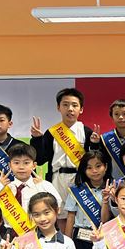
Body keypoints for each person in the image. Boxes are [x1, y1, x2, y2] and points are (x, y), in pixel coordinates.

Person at [30, 88, 103, 228]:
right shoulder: (52, 133)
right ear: (58, 107)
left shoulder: (87, 132)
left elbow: (95, 159)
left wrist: (95, 144)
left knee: (81, 215)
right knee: (59, 215)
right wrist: (37, 139)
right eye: (65, 104)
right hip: (57, 179)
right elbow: (40, 159)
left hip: (79, 178)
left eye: (74, 105)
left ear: (81, 109)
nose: (70, 109)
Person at [0, 143, 62, 233]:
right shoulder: (4, 188)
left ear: (34, 165)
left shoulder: (44, 185)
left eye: (26, 163)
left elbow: (57, 206)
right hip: (11, 233)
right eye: (16, 163)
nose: (21, 167)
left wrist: (41, 186)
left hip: (39, 232)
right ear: (10, 165)